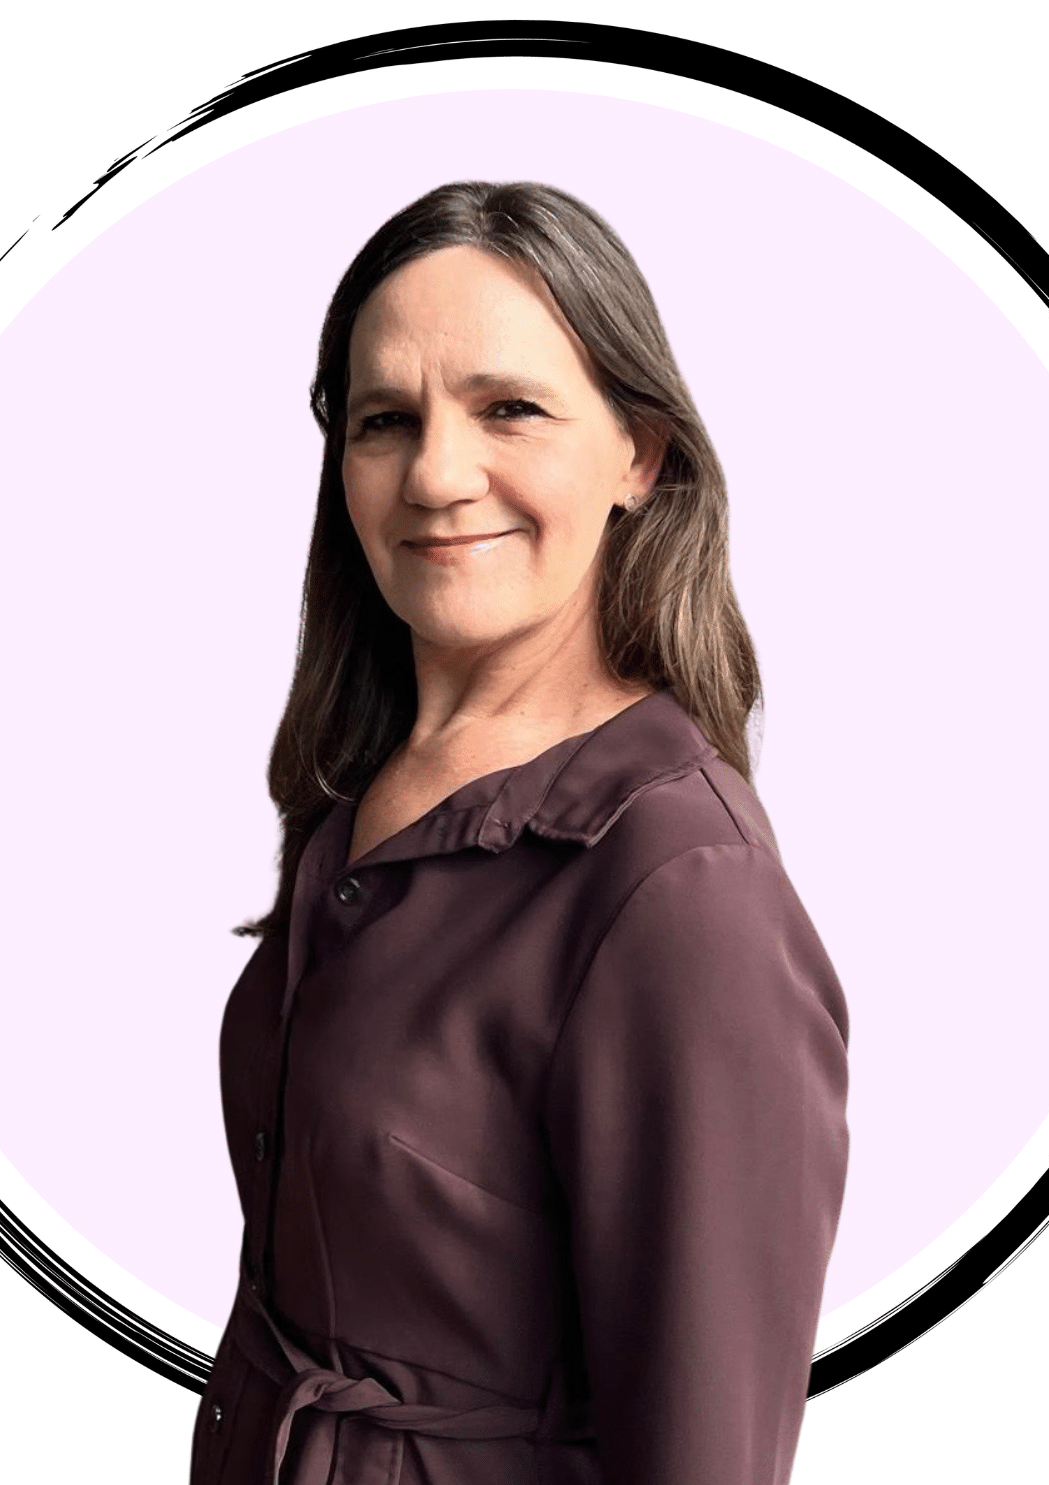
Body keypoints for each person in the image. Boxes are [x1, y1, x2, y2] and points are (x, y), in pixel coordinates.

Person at [190, 180, 849, 1485]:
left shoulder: (681, 896)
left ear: (639, 455)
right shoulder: (358, 785)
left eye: (511, 410)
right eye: (387, 421)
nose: (436, 472)